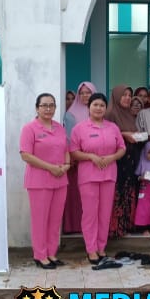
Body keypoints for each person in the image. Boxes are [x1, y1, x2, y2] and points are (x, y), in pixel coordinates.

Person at [70, 93, 126, 265]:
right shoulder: (79, 128)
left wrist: (112, 157)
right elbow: (73, 151)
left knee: (104, 213)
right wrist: (90, 157)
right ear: (89, 107)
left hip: (109, 175)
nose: (99, 108)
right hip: (88, 177)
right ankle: (91, 249)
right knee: (90, 214)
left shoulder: (113, 127)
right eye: (95, 105)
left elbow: (122, 148)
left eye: (102, 105)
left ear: (105, 108)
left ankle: (101, 247)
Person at [19, 93, 70, 270]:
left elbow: (66, 149)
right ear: (37, 108)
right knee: (40, 220)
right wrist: (50, 167)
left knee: (55, 220)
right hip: (39, 181)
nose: (48, 109)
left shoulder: (59, 128)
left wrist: (67, 165)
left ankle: (51, 252)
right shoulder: (29, 128)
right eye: (44, 105)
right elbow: (26, 155)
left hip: (60, 179)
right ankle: (40, 255)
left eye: (51, 105)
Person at [104, 85, 140, 238]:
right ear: (117, 96)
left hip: (130, 159)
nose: (127, 98)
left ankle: (126, 225)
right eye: (124, 95)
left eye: (129, 95)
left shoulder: (129, 114)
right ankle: (115, 228)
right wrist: (124, 134)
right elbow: (106, 134)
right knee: (118, 192)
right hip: (117, 159)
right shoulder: (110, 114)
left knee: (127, 191)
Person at [63, 81, 96, 233]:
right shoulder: (71, 114)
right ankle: (75, 226)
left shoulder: (98, 110)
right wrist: (73, 156)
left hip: (96, 162)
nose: (85, 96)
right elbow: (68, 138)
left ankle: (91, 228)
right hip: (76, 161)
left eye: (88, 92)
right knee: (76, 196)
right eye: (82, 93)